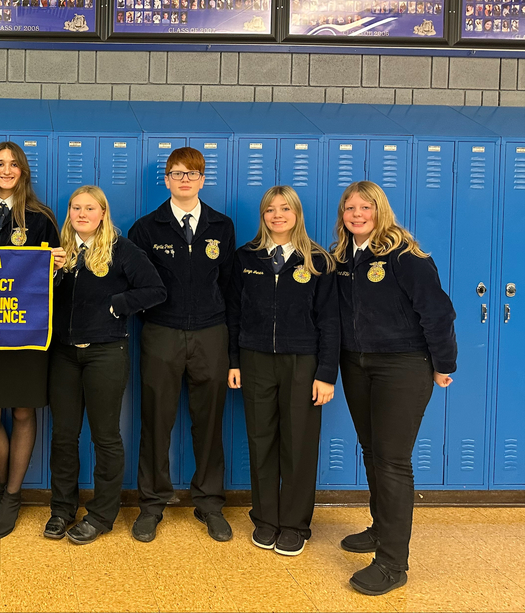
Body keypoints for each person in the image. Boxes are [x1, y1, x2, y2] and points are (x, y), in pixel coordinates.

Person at [332, 181, 456, 596]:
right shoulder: (343, 257)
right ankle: (380, 528)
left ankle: (392, 563)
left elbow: (437, 312)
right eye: (350, 208)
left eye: (365, 207)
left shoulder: (405, 255)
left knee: (392, 460)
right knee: (372, 451)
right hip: (357, 364)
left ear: (380, 210)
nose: (357, 214)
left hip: (402, 365)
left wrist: (443, 364)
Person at [127, 147, 236, 543]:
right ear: (167, 180)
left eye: (192, 173)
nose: (185, 180)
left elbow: (229, 286)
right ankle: (152, 504)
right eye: (177, 173)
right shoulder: (146, 228)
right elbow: (136, 287)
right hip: (162, 334)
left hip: (211, 334)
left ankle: (209, 503)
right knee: (156, 421)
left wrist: (224, 339)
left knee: (209, 422)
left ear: (203, 179)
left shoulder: (221, 226)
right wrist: (161, 320)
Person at [46, 186, 165, 545]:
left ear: (102, 213)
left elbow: (155, 290)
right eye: (76, 208)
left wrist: (116, 305)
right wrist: (52, 273)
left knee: (105, 436)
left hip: (105, 353)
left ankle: (101, 515)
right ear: (69, 212)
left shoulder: (120, 249)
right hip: (63, 355)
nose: (82, 214)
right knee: (63, 436)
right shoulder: (57, 251)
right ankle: (61, 510)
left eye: (90, 208)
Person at [227, 186, 339, 557]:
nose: (278, 215)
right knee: (261, 441)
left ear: (296, 214)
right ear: (263, 216)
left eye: (285, 208)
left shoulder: (318, 261)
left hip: (302, 362)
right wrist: (234, 361)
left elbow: (330, 321)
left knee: (299, 444)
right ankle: (266, 519)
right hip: (255, 359)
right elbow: (234, 312)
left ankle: (294, 525)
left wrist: (326, 373)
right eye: (270, 209)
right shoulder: (245, 257)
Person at [0, 142, 65, 539]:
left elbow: (54, 279)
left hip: (27, 331)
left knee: (24, 412)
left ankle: (11, 496)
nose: (6, 170)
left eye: (13, 164)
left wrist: (56, 269)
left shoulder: (40, 218)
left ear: (23, 171)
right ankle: (3, 486)